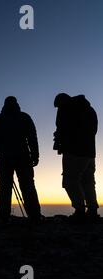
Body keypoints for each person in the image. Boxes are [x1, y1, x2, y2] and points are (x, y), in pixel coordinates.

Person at [0, 97, 43, 222]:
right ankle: (35, 216)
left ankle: (4, 216)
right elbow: (32, 138)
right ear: (17, 104)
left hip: (4, 158)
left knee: (4, 187)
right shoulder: (24, 117)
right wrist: (35, 155)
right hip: (23, 158)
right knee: (28, 185)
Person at [54, 94, 99, 222]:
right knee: (88, 182)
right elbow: (93, 131)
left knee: (70, 181)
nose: (58, 109)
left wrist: (62, 140)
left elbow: (63, 129)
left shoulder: (67, 110)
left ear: (62, 103)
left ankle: (80, 210)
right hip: (90, 153)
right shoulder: (90, 110)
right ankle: (92, 210)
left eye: (58, 106)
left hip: (74, 152)